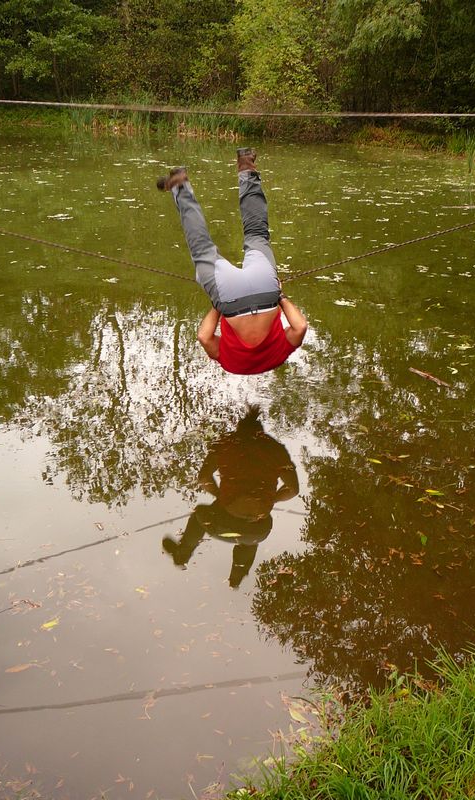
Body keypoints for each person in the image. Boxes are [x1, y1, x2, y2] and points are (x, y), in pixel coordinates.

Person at [157, 148, 307, 374]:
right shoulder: (230, 364)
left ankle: (246, 165)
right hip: (229, 299)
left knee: (256, 232)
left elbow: (300, 327)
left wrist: (281, 296)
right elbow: (204, 337)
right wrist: (218, 305)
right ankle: (180, 185)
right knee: (202, 247)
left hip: (267, 291)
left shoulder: (277, 357)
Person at [162, 405, 299, 587]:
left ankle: (182, 554)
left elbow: (203, 478)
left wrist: (219, 495)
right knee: (251, 534)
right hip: (259, 531)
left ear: (238, 430)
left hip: (224, 523)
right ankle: (237, 576)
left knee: (200, 514)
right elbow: (293, 489)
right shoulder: (275, 448)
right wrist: (272, 499)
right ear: (261, 432)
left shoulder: (225, 443)